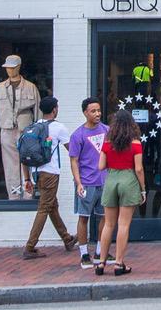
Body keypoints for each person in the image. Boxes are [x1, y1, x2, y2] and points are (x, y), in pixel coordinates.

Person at [22, 96, 79, 259]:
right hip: (51, 173)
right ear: (54, 109)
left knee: (52, 205)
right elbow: (72, 151)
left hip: (36, 173)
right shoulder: (59, 128)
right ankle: (30, 247)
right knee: (44, 208)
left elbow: (24, 155)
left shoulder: (32, 127)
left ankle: (67, 239)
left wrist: (27, 179)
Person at [93, 109, 145, 276]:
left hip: (111, 179)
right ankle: (118, 263)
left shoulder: (107, 143)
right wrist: (143, 189)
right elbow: (138, 168)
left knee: (108, 224)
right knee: (123, 224)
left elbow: (100, 166)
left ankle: (101, 262)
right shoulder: (136, 143)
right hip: (128, 179)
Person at [0, 55, 41, 201]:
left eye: (12, 67)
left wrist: (38, 133)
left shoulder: (31, 87)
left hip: (26, 130)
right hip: (6, 129)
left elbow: (37, 110)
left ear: (18, 67)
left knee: (27, 161)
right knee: (10, 164)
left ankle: (28, 194)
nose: (10, 71)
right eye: (7, 68)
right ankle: (13, 195)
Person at [67, 97, 108, 266]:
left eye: (98, 110)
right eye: (93, 111)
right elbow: (74, 161)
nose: (97, 114)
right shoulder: (78, 135)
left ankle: (100, 250)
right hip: (86, 182)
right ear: (85, 113)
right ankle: (84, 254)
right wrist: (78, 183)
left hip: (104, 181)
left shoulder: (107, 130)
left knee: (104, 217)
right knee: (84, 217)